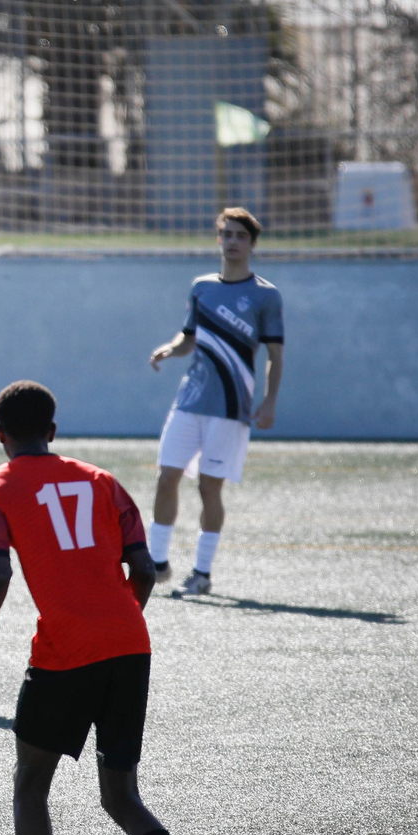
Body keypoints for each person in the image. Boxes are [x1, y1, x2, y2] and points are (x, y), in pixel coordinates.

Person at [0, 380, 236, 835]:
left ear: (0, 436)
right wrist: (118, 622)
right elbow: (144, 568)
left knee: (30, 788)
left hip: (63, 653)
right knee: (123, 797)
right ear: (53, 431)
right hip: (130, 644)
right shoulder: (102, 481)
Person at [146, 207, 284, 596]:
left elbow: (275, 355)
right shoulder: (201, 287)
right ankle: (156, 564)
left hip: (230, 407)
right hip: (189, 400)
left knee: (209, 488)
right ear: (218, 239)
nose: (233, 241)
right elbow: (188, 337)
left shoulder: (266, 296)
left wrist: (270, 401)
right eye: (228, 234)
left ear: (252, 244)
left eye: (241, 236)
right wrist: (170, 348)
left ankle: (202, 573)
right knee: (166, 477)